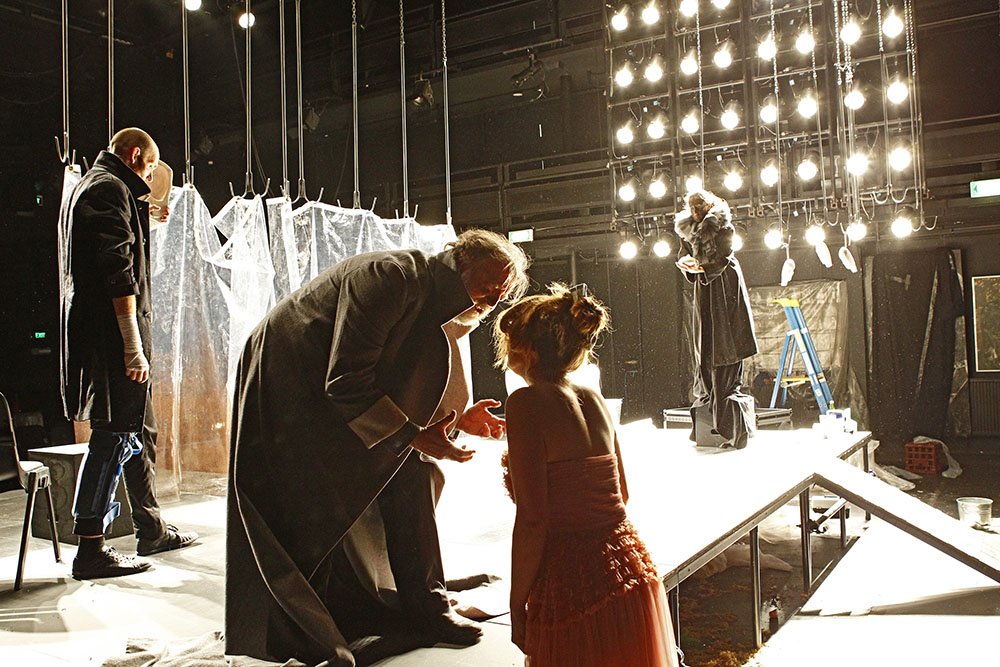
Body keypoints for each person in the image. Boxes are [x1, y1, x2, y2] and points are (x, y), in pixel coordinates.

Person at [226, 229, 530, 665]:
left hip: (329, 386)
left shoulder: (438, 300)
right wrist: (409, 435)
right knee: (309, 503)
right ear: (462, 261)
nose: (496, 295)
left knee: (408, 475)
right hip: (287, 377)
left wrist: (456, 418)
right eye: (491, 281)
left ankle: (425, 604)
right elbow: (346, 379)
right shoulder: (394, 277)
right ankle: (324, 611)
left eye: (504, 288)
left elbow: (405, 369)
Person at [493, 283, 678, 667]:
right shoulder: (593, 398)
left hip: (572, 582)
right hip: (630, 569)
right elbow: (621, 493)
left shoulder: (524, 403)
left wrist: (515, 603)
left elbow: (533, 519)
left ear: (526, 350)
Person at [58, 128, 198, 580]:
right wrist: (133, 348)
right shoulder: (106, 189)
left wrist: (149, 215)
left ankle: (149, 528)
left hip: (112, 340)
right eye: (151, 167)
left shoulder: (107, 187)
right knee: (112, 436)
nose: (153, 176)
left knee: (135, 432)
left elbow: (120, 244)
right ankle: (91, 548)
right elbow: (118, 275)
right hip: (113, 342)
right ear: (136, 155)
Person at [674, 190, 758, 449]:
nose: (696, 212)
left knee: (725, 346)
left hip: (723, 287)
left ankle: (734, 433)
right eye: (692, 208)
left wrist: (702, 267)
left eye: (699, 207)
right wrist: (688, 265)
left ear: (708, 205)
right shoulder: (689, 229)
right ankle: (718, 428)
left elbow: (722, 259)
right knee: (706, 348)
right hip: (706, 288)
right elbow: (684, 255)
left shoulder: (723, 227)